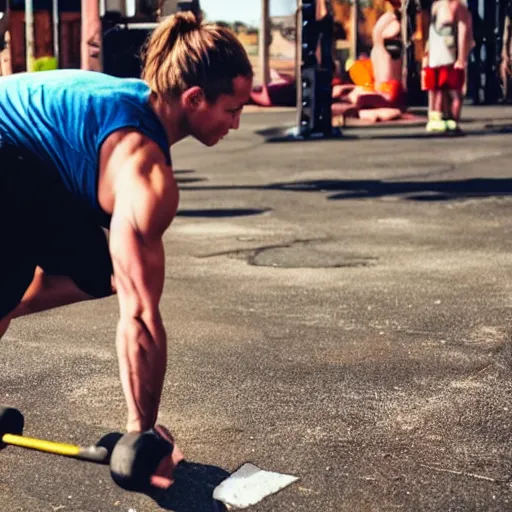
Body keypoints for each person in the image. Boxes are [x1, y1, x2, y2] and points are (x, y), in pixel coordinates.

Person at [0, 12, 253, 488]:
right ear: (195, 99)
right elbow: (139, 316)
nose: (237, 123)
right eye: (233, 109)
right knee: (8, 272)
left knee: (98, 272)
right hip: (7, 154)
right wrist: (143, 435)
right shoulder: (145, 174)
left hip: (32, 165)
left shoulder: (142, 115)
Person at [422, 0, 474, 133]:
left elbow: (464, 32)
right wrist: (427, 55)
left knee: (454, 91)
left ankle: (452, 120)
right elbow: (430, 32)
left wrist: (461, 59)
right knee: (436, 90)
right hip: (435, 55)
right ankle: (436, 117)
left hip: (449, 56)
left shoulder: (458, 7)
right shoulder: (436, 6)